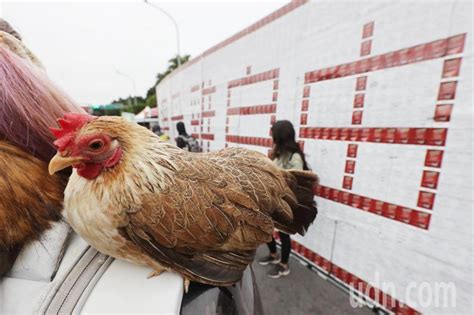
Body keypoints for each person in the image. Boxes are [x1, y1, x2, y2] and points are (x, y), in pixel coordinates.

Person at [258, 120, 310, 278]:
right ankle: (274, 254)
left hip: (286, 202)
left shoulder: (294, 157)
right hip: (273, 199)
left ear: (280, 137)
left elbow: (296, 182)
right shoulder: (279, 153)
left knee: (284, 234)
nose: (272, 139)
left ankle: (284, 264)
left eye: (274, 136)